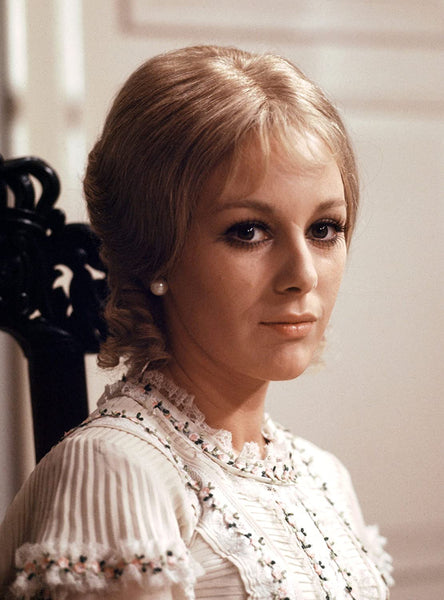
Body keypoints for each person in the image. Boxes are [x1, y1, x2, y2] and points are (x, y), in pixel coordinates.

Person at [0, 45, 393, 600]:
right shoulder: (114, 469)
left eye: (324, 229)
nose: (303, 275)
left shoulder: (326, 478)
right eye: (249, 231)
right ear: (155, 252)